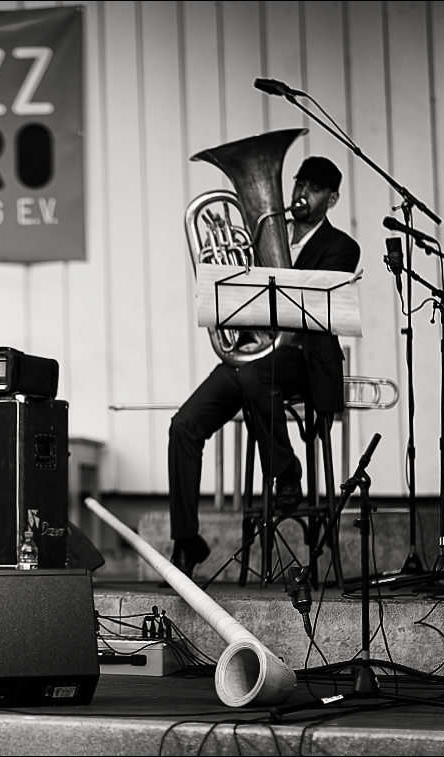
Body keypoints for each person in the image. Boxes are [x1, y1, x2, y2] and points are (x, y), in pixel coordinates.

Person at [167, 156, 360, 580]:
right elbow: (234, 300)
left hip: (303, 361)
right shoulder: (262, 237)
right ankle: (186, 540)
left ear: (332, 198)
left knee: (256, 375)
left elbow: (315, 315)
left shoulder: (342, 247)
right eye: (299, 184)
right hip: (254, 356)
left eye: (313, 189)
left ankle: (287, 471)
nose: (300, 195)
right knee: (183, 425)